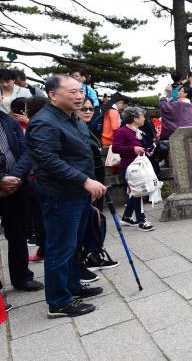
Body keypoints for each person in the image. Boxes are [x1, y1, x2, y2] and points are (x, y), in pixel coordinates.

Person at [26, 75, 106, 318]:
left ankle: (71, 287)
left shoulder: (73, 118)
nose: (79, 96)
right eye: (72, 92)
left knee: (72, 245)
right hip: (61, 195)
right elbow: (48, 161)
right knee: (60, 247)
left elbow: (81, 155)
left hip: (79, 193)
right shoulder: (44, 122)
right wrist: (85, 181)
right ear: (52, 95)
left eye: (80, 91)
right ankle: (59, 301)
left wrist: (89, 184)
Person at [0, 108, 44, 292]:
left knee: (17, 233)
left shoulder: (9, 122)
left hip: (15, 186)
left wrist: (14, 178)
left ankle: (21, 276)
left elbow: (26, 151)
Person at [76, 98, 119, 275]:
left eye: (91, 108)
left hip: (96, 179)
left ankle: (94, 253)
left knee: (96, 219)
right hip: (85, 182)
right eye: (83, 108)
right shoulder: (75, 127)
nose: (88, 111)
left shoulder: (87, 127)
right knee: (87, 222)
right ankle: (85, 259)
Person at [112, 106, 154, 231]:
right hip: (129, 168)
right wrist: (133, 149)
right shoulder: (122, 131)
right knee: (137, 193)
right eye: (142, 116)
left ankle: (127, 217)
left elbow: (140, 146)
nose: (144, 119)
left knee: (135, 193)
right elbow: (115, 148)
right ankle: (142, 221)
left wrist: (147, 150)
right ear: (135, 118)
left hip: (138, 166)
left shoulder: (137, 131)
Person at [24, 96, 50, 264]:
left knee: (40, 217)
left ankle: (44, 249)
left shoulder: (37, 125)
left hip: (37, 178)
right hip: (40, 177)